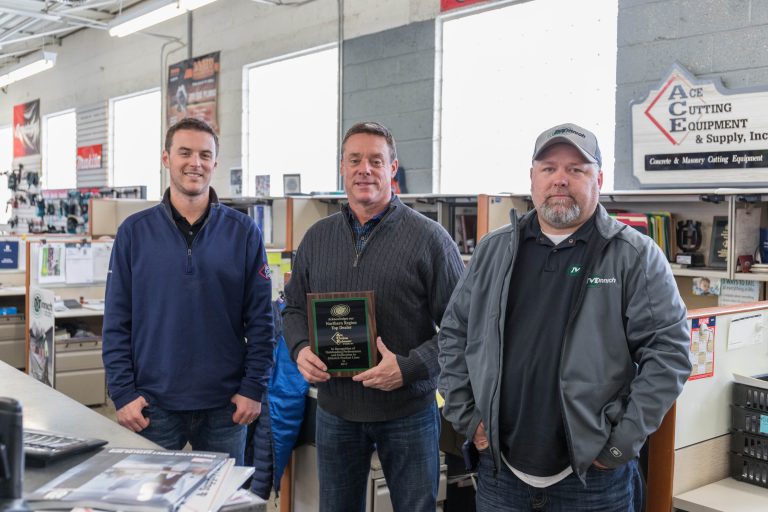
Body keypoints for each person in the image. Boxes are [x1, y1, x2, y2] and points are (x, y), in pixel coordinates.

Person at [438, 122, 692, 511]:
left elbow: (670, 352)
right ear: (532, 178)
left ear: (599, 179)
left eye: (576, 169)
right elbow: (454, 333)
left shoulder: (632, 256)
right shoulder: (494, 251)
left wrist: (620, 444)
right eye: (549, 168)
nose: (560, 179)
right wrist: (468, 419)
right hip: (501, 476)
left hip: (592, 482)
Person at [283, 121, 464, 512]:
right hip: (336, 412)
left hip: (408, 412)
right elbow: (293, 307)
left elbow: (461, 328)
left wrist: (410, 367)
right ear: (343, 169)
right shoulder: (317, 237)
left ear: (392, 168)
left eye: (376, 160)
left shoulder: (430, 239)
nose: (365, 169)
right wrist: (299, 349)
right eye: (355, 160)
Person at [102, 117, 274, 464]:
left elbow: (261, 321)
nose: (195, 162)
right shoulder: (134, 233)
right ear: (166, 158)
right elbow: (117, 322)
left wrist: (253, 388)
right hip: (151, 406)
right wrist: (122, 393)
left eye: (204, 155)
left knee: (222, 503)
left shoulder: (244, 233)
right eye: (184, 153)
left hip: (226, 406)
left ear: (214, 162)